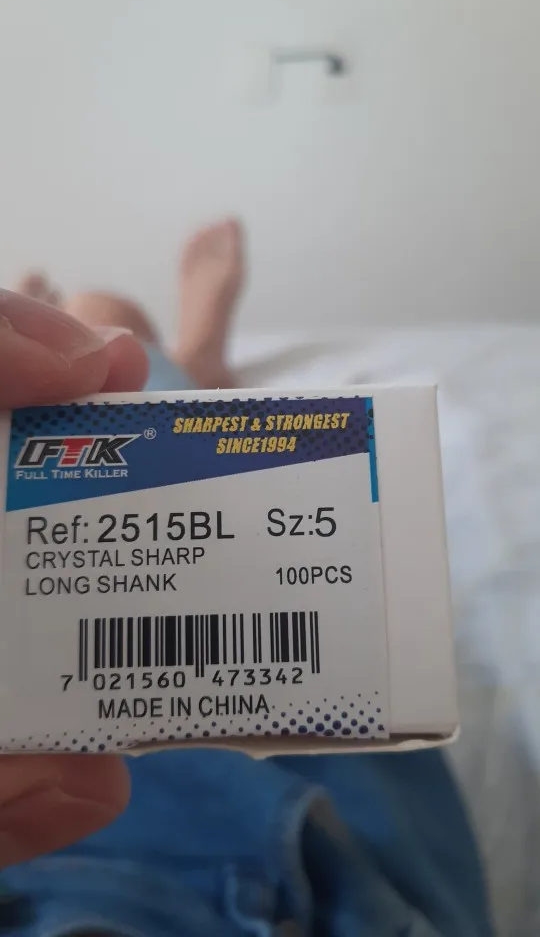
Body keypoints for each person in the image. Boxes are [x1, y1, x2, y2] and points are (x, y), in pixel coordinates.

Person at [0, 223, 494, 935]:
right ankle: (188, 377)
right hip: (316, 885)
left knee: (93, 357)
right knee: (105, 340)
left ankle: (173, 380)